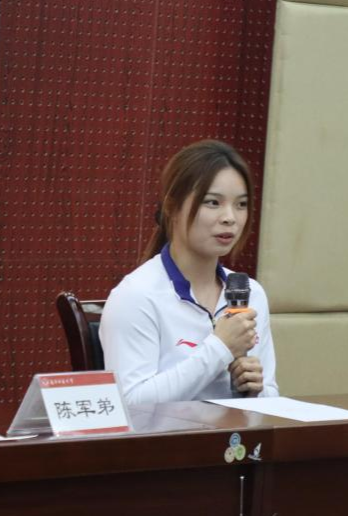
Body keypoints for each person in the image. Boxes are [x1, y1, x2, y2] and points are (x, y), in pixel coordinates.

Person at [99, 140, 278, 406]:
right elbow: (130, 404)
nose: (230, 217)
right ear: (172, 207)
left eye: (241, 204)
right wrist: (219, 348)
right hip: (168, 435)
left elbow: (271, 398)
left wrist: (254, 391)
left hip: (234, 433)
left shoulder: (251, 294)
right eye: (213, 202)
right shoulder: (136, 296)